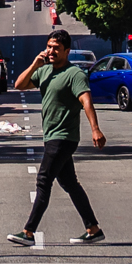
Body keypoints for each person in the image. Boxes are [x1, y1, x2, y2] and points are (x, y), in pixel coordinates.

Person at [6, 28, 105, 246]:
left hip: (64, 136)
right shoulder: (44, 70)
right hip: (52, 135)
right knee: (70, 183)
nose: (51, 51)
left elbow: (86, 101)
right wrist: (35, 64)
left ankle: (28, 232)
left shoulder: (74, 74)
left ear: (67, 51)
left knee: (43, 180)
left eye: (56, 49)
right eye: (49, 47)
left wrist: (95, 128)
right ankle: (93, 228)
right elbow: (19, 85)